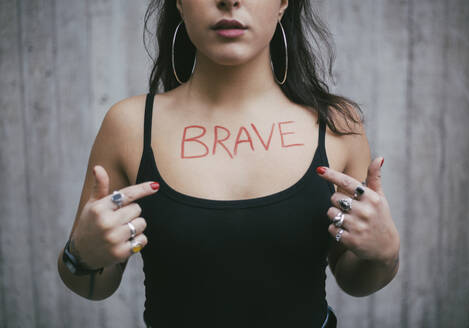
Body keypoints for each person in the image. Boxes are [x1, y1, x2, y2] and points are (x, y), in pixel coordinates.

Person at [57, 0, 400, 327]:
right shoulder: (129, 125)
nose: (229, 1)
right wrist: (82, 255)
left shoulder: (337, 125)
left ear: (283, 4)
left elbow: (355, 280)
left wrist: (385, 253)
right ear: (179, 3)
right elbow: (93, 284)